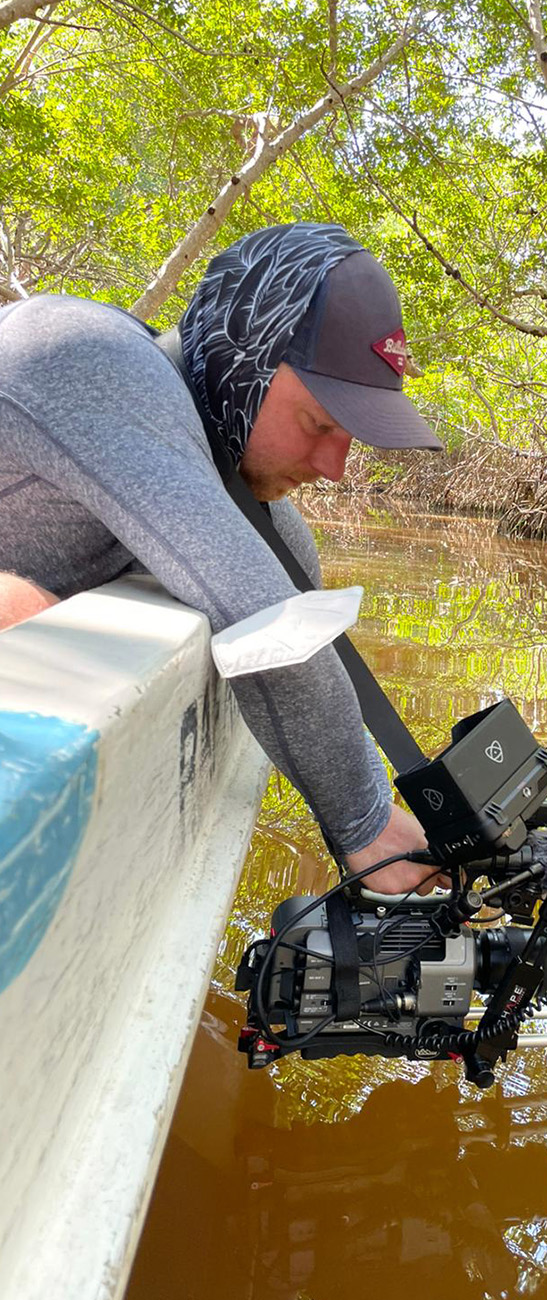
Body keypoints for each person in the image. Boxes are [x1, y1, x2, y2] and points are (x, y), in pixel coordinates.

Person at [0, 223, 442, 894]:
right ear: (244, 366)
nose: (335, 466)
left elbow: (296, 590)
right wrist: (367, 825)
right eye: (320, 424)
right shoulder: (91, 354)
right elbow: (268, 623)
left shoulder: (206, 450)